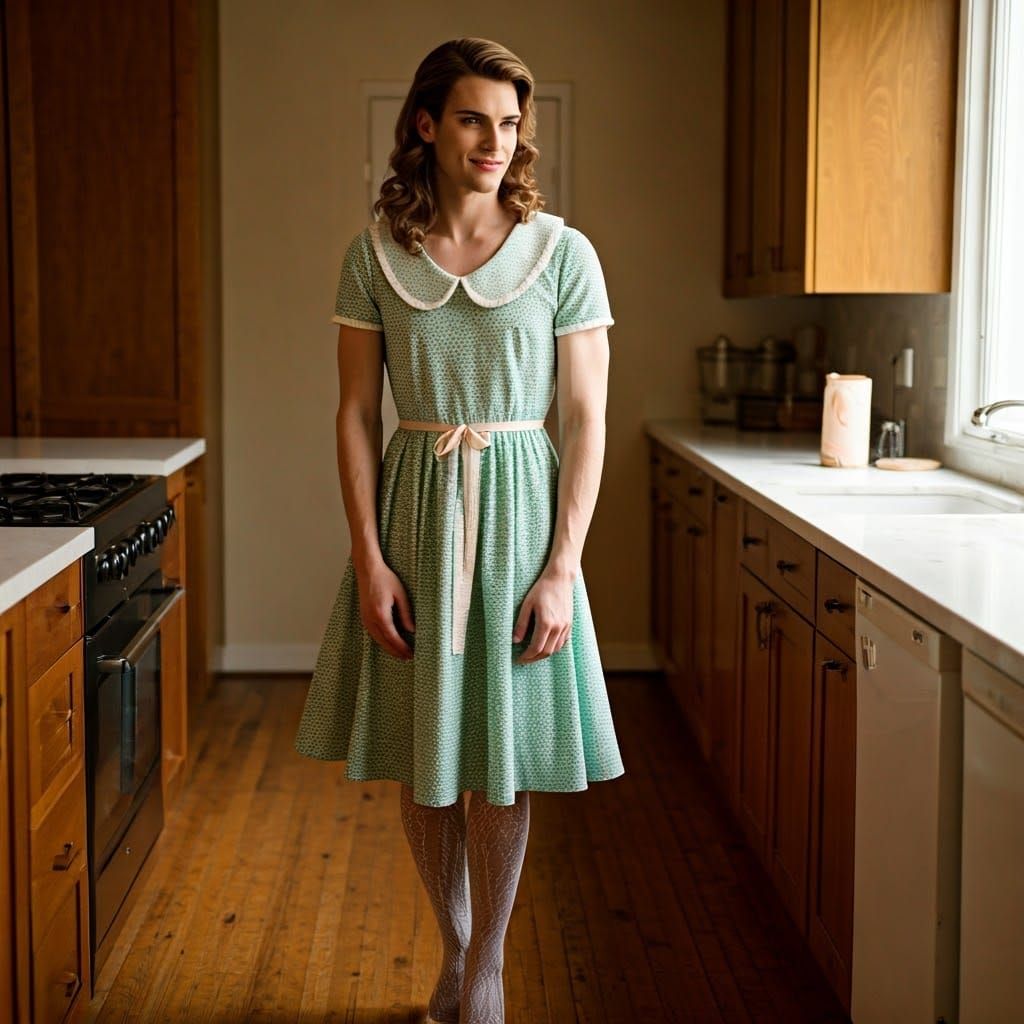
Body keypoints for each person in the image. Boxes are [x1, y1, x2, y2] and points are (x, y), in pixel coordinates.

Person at [293, 36, 625, 1024]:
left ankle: (486, 971)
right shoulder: (373, 255)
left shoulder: (563, 254)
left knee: (501, 755)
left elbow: (586, 417)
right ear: (428, 125)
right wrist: (367, 554)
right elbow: (355, 413)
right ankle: (456, 948)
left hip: (522, 518)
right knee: (428, 752)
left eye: (511, 123)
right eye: (475, 118)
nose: (495, 140)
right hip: (415, 516)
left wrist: (561, 567)